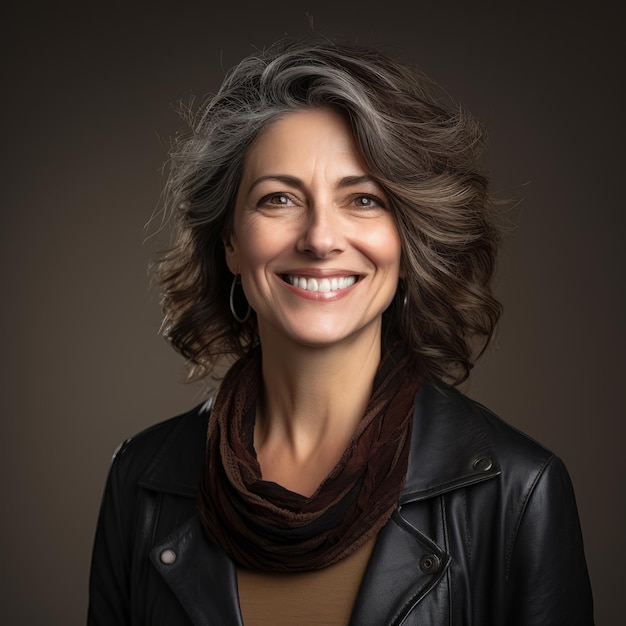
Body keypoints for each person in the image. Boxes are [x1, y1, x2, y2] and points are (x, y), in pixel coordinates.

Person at [88, 37, 594, 625]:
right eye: (278, 198)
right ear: (229, 240)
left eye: (363, 200)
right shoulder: (142, 479)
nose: (321, 238)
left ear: (408, 242)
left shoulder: (519, 492)